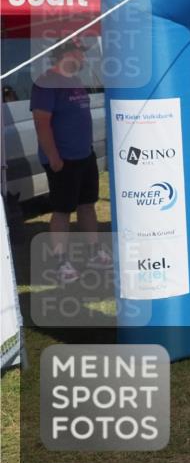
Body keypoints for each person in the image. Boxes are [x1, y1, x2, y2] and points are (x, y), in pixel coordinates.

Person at [30, 39, 112, 284]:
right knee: (63, 210)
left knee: (87, 204)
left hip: (83, 155)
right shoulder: (46, 83)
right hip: (63, 159)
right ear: (65, 54)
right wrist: (54, 157)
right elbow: (41, 123)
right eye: (80, 53)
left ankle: (94, 252)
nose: (84, 59)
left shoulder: (76, 81)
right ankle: (61, 262)